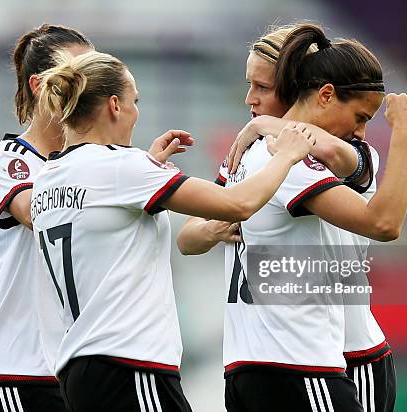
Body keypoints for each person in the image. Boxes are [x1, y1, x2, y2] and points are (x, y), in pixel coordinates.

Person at [30, 49, 317, 412]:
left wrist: (147, 170)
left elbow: (105, 216)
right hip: (130, 364)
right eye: (135, 101)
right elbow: (239, 204)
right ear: (115, 105)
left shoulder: (47, 180)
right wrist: (287, 155)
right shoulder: (123, 168)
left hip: (78, 370)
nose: (136, 113)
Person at [177, 23, 407, 412]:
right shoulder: (262, 155)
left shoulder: (323, 154)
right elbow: (187, 236)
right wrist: (213, 227)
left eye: (261, 87)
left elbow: (359, 178)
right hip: (288, 357)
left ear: (297, 89)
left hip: (344, 352)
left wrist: (269, 125)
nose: (249, 99)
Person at [0, 24, 194, 412]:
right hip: (17, 370)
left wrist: (140, 168)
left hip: (70, 363)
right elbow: (37, 212)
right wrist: (128, 175)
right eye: (75, 70)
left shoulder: (90, 165)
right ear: (41, 85)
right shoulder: (10, 159)